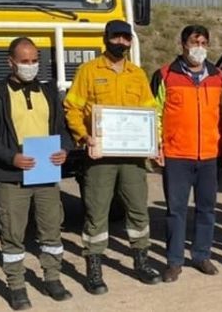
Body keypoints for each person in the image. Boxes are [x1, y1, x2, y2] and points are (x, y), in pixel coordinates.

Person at [64, 20, 161, 294]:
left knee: (138, 210)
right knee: (97, 213)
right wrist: (85, 137)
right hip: (100, 156)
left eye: (126, 38)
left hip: (132, 158)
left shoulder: (137, 74)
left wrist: (154, 141)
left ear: (131, 41)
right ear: (106, 39)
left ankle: (141, 261)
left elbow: (150, 112)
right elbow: (72, 107)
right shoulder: (89, 71)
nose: (121, 43)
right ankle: (94, 269)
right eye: (116, 38)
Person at [0, 37, 74, 309]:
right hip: (13, 178)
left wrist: (65, 150)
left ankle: (53, 278)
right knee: (12, 233)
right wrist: (12, 157)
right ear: (10, 62)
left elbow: (64, 132)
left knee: (51, 230)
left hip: (46, 175)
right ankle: (17, 286)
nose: (30, 66)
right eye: (24, 61)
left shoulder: (48, 93)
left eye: (34, 61)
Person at [150, 25, 222, 283]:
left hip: (209, 154)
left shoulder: (218, 76)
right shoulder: (164, 75)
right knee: (176, 210)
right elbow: (155, 115)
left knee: (207, 208)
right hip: (176, 154)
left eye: (204, 42)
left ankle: (202, 255)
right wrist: (156, 147)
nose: (200, 48)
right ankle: (174, 261)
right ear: (183, 44)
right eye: (195, 42)